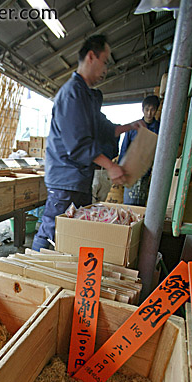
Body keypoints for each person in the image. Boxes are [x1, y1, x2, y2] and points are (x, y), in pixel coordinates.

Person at [32, 34, 144, 252]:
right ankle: (30, 274)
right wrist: (110, 166)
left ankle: (67, 269)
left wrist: (128, 127)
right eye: (105, 61)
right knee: (50, 230)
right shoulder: (72, 93)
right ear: (91, 56)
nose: (106, 69)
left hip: (80, 178)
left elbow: (103, 127)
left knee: (77, 228)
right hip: (65, 178)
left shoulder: (86, 96)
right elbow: (78, 144)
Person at [119, 95, 160, 206]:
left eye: (152, 110)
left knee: (142, 206)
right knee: (128, 204)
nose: (149, 113)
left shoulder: (160, 129)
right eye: (147, 109)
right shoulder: (133, 127)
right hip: (131, 171)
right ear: (142, 109)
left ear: (156, 110)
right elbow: (124, 148)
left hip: (148, 173)